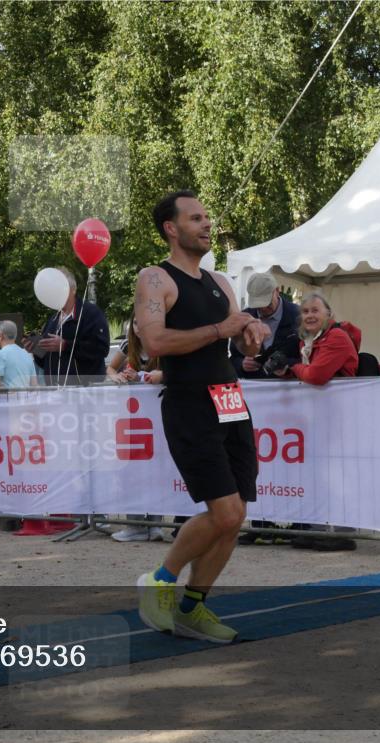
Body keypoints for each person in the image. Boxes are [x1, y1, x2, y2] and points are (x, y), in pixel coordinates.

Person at [135, 190, 269, 643]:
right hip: (190, 403)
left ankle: (193, 607)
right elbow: (154, 344)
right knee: (225, 511)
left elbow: (239, 342)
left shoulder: (219, 282)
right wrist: (222, 329)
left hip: (230, 399)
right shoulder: (156, 279)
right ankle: (160, 579)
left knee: (236, 516)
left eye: (207, 217)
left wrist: (252, 336)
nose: (207, 224)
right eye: (196, 219)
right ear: (171, 229)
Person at [272, 291, 361, 552]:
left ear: (328, 315)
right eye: (305, 311)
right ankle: (319, 527)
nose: (309, 315)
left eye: (315, 311)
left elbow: (316, 375)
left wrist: (292, 368)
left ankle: (341, 531)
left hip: (341, 415)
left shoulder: (336, 337)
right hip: (318, 416)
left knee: (338, 473)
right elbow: (308, 374)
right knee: (317, 472)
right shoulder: (308, 341)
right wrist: (289, 370)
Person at [107, 311, 165, 542]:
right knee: (131, 468)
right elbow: (110, 368)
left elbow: (174, 372)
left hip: (158, 414)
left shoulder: (163, 344)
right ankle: (135, 524)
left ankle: (155, 525)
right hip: (132, 415)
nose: (140, 327)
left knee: (157, 468)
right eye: (136, 324)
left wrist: (157, 375)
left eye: (144, 323)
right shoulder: (126, 345)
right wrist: (118, 376)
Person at [25, 267, 110, 385]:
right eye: (52, 289)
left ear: (73, 290)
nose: (55, 292)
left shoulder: (90, 313)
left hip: (84, 390)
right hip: (55, 391)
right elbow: (46, 362)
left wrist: (65, 345)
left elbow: (101, 349)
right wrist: (36, 350)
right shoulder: (52, 320)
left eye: (59, 288)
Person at [229, 273, 301, 379]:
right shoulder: (245, 317)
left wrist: (287, 365)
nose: (263, 308)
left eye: (267, 303)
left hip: (289, 387)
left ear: (277, 291)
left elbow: (309, 357)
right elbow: (233, 357)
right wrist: (241, 364)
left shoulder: (298, 315)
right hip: (254, 388)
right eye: (258, 305)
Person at [0, 321, 38, 388]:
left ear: (0, 335)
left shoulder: (0, 355)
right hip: (26, 397)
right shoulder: (27, 354)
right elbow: (34, 385)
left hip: (8, 398)